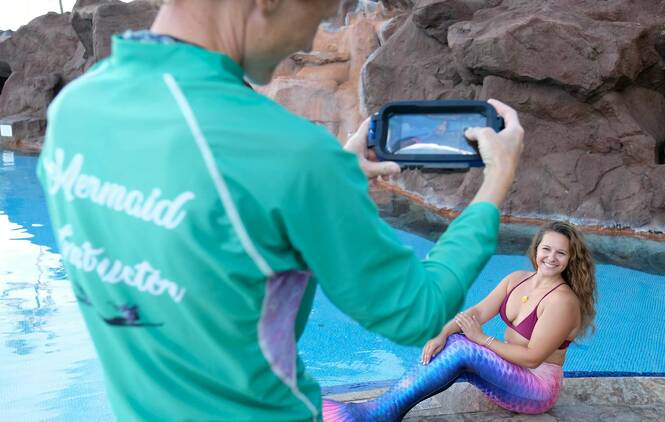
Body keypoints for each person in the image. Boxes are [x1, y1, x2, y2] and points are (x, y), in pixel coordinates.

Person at [36, 0, 524, 420]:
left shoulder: (73, 112)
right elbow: (417, 311)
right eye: (319, 11)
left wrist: (332, 176)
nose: (310, 34)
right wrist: (495, 185)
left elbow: (198, 227)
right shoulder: (292, 154)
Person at [323, 221, 596, 420]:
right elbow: (476, 313)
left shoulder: (562, 301)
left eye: (561, 253)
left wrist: (482, 339)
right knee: (454, 342)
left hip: (536, 389)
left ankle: (377, 413)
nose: (551, 257)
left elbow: (532, 358)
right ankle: (385, 410)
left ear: (571, 259)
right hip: (511, 376)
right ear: (536, 249)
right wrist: (442, 332)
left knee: (464, 347)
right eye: (546, 249)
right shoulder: (517, 279)